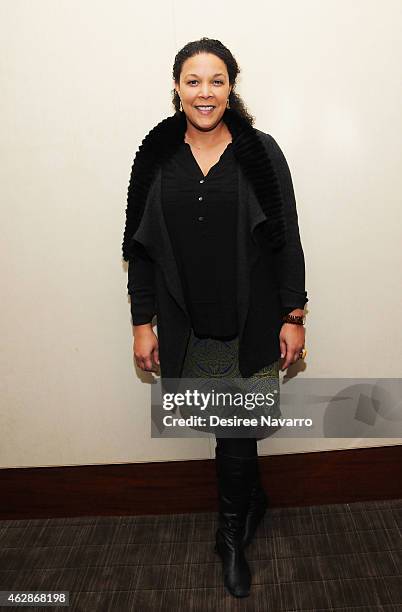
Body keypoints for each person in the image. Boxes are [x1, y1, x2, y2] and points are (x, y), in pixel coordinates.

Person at [122, 37, 308, 598]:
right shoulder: (154, 156)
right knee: (229, 428)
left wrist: (293, 313)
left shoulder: (261, 152)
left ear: (232, 87)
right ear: (177, 88)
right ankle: (252, 502)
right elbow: (140, 247)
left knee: (235, 430)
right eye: (194, 81)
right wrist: (142, 321)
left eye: (218, 81)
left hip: (251, 319)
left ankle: (230, 538)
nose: (206, 93)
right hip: (190, 321)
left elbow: (287, 238)